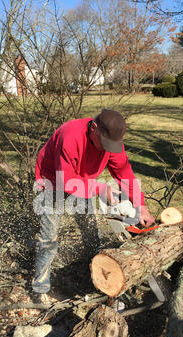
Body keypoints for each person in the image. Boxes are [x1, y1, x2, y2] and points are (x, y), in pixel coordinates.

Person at [32, 109, 155, 303]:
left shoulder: (111, 142)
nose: (108, 150)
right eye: (105, 144)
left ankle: (95, 279)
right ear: (94, 128)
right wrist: (99, 189)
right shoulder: (70, 137)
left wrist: (141, 205)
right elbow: (66, 181)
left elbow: (125, 174)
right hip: (52, 181)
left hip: (83, 181)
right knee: (49, 237)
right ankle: (40, 289)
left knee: (90, 232)